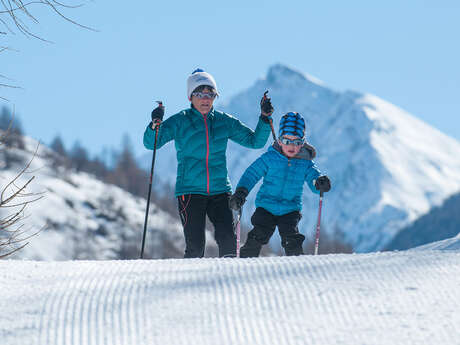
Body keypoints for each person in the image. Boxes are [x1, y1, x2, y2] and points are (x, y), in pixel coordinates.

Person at [143, 68, 274, 258]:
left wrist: (264, 118)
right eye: (200, 94)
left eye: (210, 94)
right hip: (189, 191)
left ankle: (228, 284)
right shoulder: (180, 121)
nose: (205, 99)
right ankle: (192, 285)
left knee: (228, 242)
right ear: (190, 97)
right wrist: (155, 125)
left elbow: (256, 141)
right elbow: (151, 143)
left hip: (220, 190)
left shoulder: (224, 121)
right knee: (195, 247)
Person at [229, 111, 331, 257]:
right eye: (287, 141)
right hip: (266, 206)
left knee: (292, 239)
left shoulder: (305, 162)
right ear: (280, 140)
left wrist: (319, 183)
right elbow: (252, 174)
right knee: (259, 234)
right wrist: (241, 192)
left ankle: (297, 266)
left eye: (297, 142)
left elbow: (313, 178)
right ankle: (245, 260)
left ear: (303, 143)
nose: (292, 146)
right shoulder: (270, 158)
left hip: (290, 209)